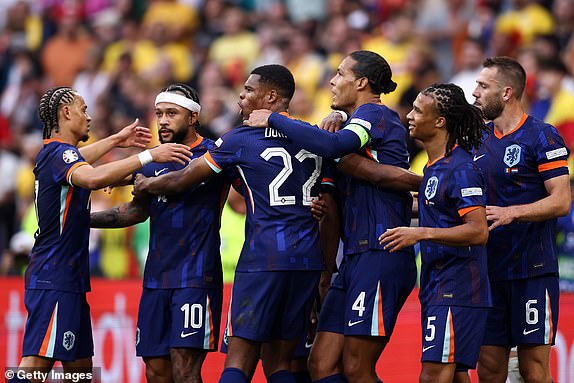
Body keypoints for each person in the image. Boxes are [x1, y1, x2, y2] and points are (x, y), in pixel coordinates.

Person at [134, 65, 332, 383]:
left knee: (238, 362)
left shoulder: (240, 140)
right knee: (281, 364)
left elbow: (183, 180)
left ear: (271, 96)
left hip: (264, 258)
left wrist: (146, 184)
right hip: (307, 259)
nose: (240, 97)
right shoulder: (315, 139)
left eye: (248, 91)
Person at [245, 50, 418, 383]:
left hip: (381, 252)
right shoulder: (352, 121)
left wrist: (275, 118)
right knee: (321, 364)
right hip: (354, 257)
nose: (332, 81)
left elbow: (337, 146)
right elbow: (335, 152)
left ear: (362, 82)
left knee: (357, 367)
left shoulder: (376, 114)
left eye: (340, 74)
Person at [12, 87, 191, 383]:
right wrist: (148, 156)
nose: (89, 116)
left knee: (80, 370)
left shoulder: (58, 155)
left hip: (69, 278)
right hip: (54, 277)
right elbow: (92, 177)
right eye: (83, 109)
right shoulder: (60, 155)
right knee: (34, 367)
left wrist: (118, 141)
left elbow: (83, 160)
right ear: (66, 113)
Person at [90, 84, 236, 383]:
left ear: (193, 117)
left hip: (196, 277)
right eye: (159, 114)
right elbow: (136, 211)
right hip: (156, 278)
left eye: (172, 113)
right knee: (156, 370)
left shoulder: (215, 154)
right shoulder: (153, 158)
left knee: (185, 370)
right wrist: (84, 221)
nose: (163, 121)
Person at [379, 83, 491, 383]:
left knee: (432, 375)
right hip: (437, 283)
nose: (410, 116)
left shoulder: (462, 168)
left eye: (418, 110)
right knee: (455, 374)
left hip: (459, 285)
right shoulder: (432, 168)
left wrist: (420, 234)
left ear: (440, 121)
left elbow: (478, 231)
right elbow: (437, 212)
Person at [472, 56, 571, 383]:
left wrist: (511, 212)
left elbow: (561, 201)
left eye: (483, 86)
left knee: (532, 370)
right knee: (488, 369)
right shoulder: (477, 140)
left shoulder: (542, 135)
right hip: (489, 271)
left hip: (532, 270)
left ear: (507, 92)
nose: (475, 92)